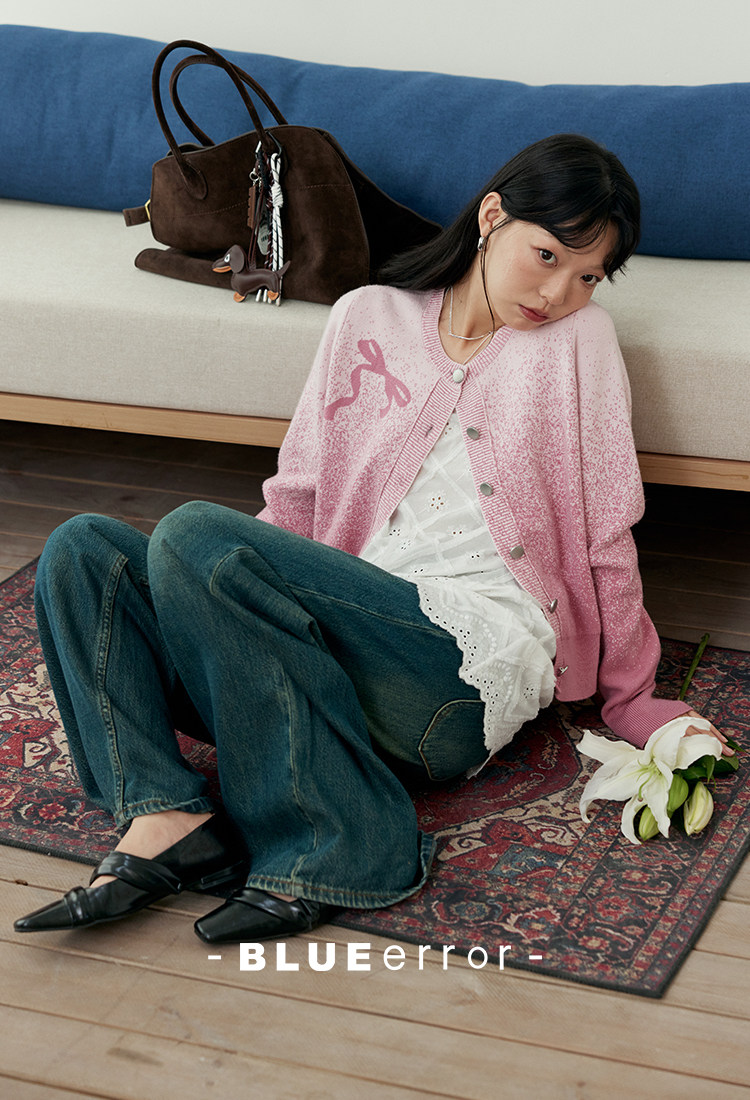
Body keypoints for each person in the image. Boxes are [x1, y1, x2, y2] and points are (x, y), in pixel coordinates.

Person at [15, 133, 731, 944]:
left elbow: (607, 526)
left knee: (195, 532)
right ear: (492, 217)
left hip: (444, 680)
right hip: (328, 655)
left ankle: (340, 843)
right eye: (548, 256)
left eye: (589, 276)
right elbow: (298, 495)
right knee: (84, 551)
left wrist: (636, 699)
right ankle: (166, 817)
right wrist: (220, 596)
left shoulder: (579, 341)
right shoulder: (367, 315)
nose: (560, 291)